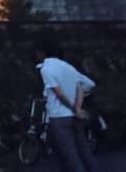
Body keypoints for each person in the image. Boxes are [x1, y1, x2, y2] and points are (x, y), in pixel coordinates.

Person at [34, 40, 98, 172]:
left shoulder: (46, 69)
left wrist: (74, 108)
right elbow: (86, 84)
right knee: (84, 152)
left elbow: (58, 93)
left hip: (59, 116)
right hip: (75, 117)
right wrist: (78, 108)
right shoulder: (68, 67)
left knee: (70, 155)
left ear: (41, 52)